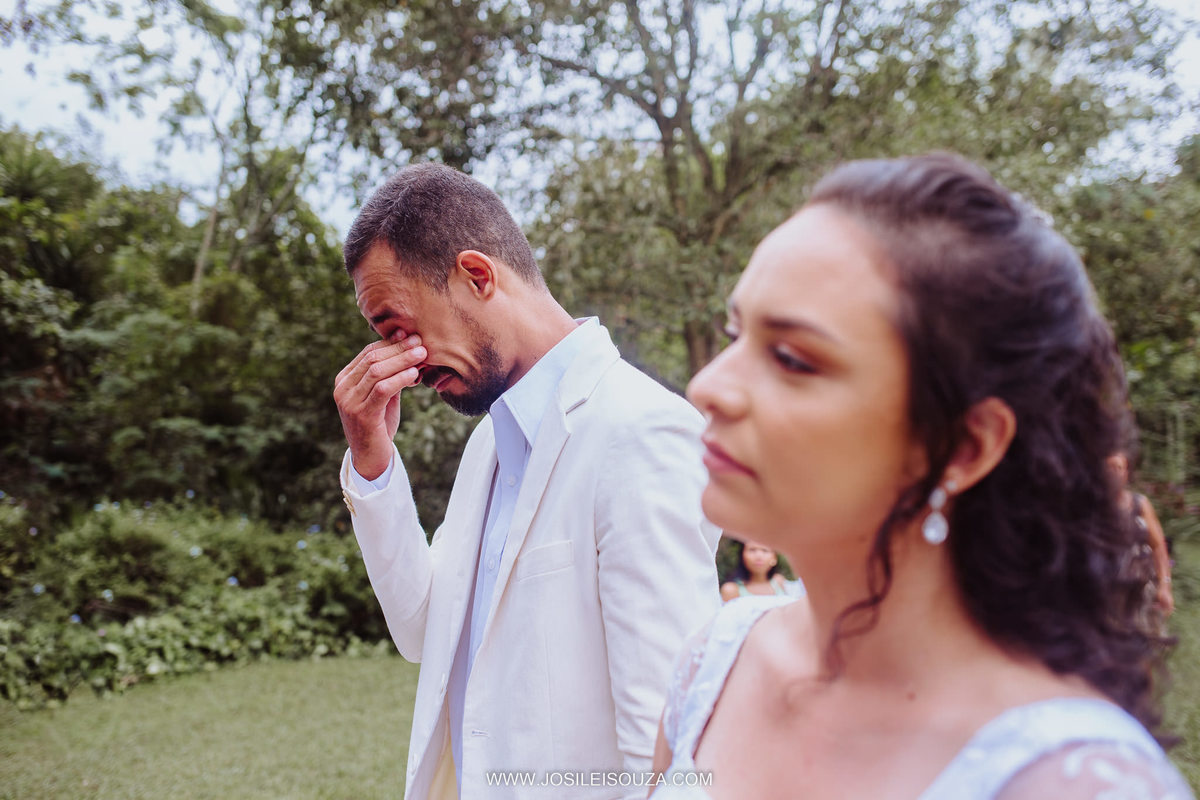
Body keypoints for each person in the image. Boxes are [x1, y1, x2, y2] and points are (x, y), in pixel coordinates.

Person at [650, 153, 1191, 799]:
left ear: (964, 446)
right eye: (735, 333)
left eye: (792, 358)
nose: (708, 386)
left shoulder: (1071, 782)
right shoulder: (715, 663)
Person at [333, 163, 721, 799]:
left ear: (477, 276)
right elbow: (424, 633)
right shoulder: (489, 442)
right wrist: (372, 459)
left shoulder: (640, 432)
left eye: (400, 329)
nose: (397, 359)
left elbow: (669, 745)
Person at [1108, 449, 1175, 625]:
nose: (1113, 473)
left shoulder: (1140, 505)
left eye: (1118, 468)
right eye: (1108, 468)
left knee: (1144, 645)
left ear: (1126, 473)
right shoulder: (1093, 508)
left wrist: (1165, 586)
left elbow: (1159, 545)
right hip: (1106, 595)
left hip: (1140, 593)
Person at [719, 540, 792, 601]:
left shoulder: (779, 581)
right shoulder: (731, 590)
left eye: (765, 550)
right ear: (742, 555)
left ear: (775, 558)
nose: (759, 556)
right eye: (752, 550)